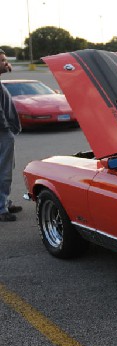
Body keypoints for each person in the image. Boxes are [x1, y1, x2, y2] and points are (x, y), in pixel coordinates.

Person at [0, 49, 22, 222]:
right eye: (3, 60)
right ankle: (2, 208)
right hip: (2, 133)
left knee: (5, 169)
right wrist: (7, 129)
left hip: (4, 132)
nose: (6, 63)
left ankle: (4, 202)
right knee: (4, 171)